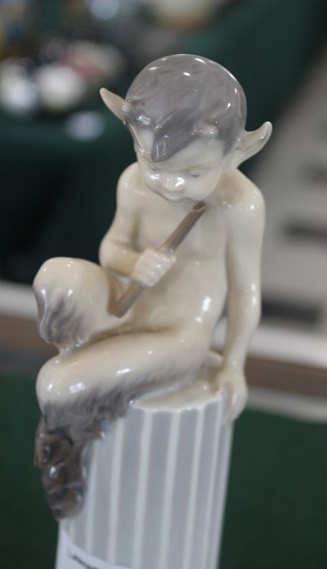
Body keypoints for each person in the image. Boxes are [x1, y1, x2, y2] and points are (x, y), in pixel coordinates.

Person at [33, 54, 271, 518]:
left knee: (56, 386)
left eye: (194, 172)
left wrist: (234, 364)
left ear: (235, 154)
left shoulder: (241, 206)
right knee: (55, 276)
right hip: (123, 305)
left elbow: (246, 291)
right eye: (153, 163)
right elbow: (112, 248)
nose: (170, 185)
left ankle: (66, 445)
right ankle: (86, 353)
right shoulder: (134, 184)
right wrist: (133, 263)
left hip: (180, 330)